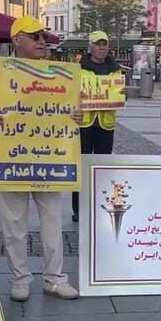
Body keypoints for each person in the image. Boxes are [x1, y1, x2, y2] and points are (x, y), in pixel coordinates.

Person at [0, 16, 81, 301]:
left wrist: (76, 116)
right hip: (11, 158)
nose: (41, 42)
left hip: (50, 159)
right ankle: (19, 278)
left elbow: (70, 111)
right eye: (35, 37)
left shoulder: (59, 74)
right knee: (13, 225)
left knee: (53, 222)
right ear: (16, 40)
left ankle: (55, 278)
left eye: (43, 37)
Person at [72, 30, 123, 222]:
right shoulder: (79, 69)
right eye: (98, 44)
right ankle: (79, 208)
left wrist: (121, 95)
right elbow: (70, 93)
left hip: (105, 124)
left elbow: (118, 94)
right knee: (81, 167)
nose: (102, 48)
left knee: (103, 168)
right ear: (90, 47)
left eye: (104, 44)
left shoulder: (115, 70)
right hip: (84, 124)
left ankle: (100, 205)